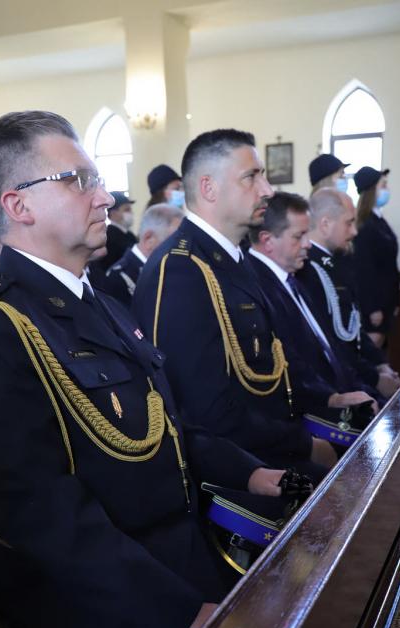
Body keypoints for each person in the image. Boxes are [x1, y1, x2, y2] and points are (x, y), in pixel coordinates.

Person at [0, 110, 290, 628]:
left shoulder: (100, 305)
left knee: (307, 602)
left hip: (177, 552)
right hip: (100, 598)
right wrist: (176, 610)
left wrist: (250, 472)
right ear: (19, 205)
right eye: (79, 181)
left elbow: (166, 429)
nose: (104, 197)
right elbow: (37, 513)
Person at [134, 129, 336, 480]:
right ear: (209, 188)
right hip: (241, 470)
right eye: (251, 177)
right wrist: (303, 445)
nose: (267, 190)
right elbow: (205, 412)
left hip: (272, 443)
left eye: (263, 176)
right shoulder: (181, 270)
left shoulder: (234, 258)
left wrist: (327, 402)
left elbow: (272, 365)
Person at [248, 192, 378, 441]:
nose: (308, 244)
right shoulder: (258, 287)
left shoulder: (292, 278)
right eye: (299, 236)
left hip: (336, 395)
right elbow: (288, 363)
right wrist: (334, 398)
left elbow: (329, 347)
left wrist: (362, 389)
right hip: (310, 414)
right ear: (268, 241)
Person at [300, 188, 400, 399]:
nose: (355, 231)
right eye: (349, 223)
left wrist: (380, 363)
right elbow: (332, 344)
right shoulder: (308, 270)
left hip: (355, 373)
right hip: (339, 385)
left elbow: (353, 329)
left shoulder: (336, 262)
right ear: (325, 224)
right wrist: (374, 379)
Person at [352, 166, 400, 347]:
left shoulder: (379, 219)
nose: (387, 190)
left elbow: (389, 263)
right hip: (375, 304)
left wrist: (396, 299)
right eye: (383, 185)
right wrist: (372, 308)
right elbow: (364, 269)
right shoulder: (365, 224)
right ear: (371, 190)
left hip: (386, 299)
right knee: (373, 349)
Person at [105, 204, 182, 306]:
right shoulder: (118, 279)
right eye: (175, 241)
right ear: (149, 239)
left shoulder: (168, 268)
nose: (182, 248)